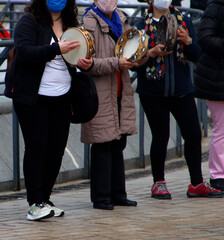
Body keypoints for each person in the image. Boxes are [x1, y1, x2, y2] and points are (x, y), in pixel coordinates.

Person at [4, 0, 92, 220]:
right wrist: (56, 49)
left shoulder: (71, 23)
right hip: (33, 98)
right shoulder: (29, 21)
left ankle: (45, 199)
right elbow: (24, 52)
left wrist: (85, 62)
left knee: (56, 149)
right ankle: (35, 202)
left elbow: (78, 54)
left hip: (62, 96)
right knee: (37, 147)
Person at [133, 0, 223, 199]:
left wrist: (188, 41)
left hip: (181, 89)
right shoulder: (141, 25)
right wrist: (151, 53)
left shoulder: (184, 21)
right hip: (153, 91)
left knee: (192, 134)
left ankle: (197, 183)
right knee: (160, 136)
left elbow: (198, 55)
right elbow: (133, 63)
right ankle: (159, 182)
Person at [80, 0, 142, 210]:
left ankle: (118, 194)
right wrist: (117, 63)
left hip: (119, 92)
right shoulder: (89, 22)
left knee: (118, 144)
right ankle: (101, 197)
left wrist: (141, 55)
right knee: (102, 145)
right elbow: (87, 63)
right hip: (100, 94)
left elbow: (133, 50)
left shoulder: (122, 19)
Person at [193, 0, 224, 191]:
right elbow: (204, 37)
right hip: (216, 79)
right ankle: (218, 175)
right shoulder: (216, 8)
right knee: (221, 127)